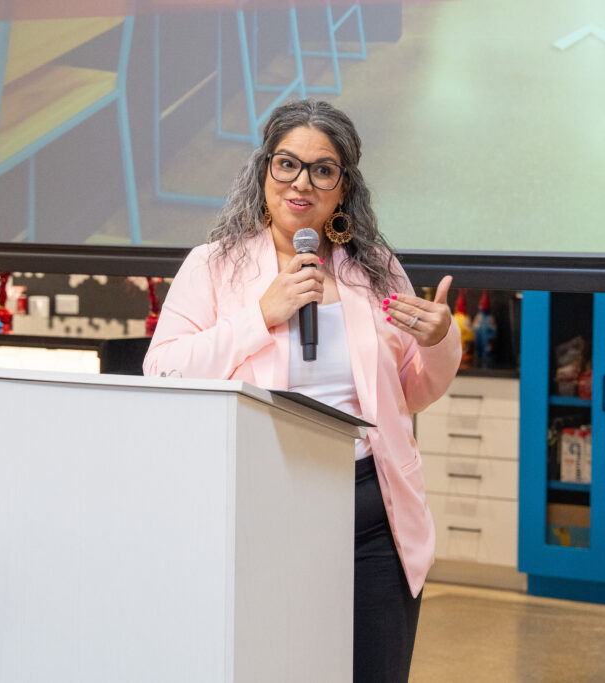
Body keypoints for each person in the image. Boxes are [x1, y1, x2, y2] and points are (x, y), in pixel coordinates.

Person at [143, 99, 460, 682]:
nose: (301, 182)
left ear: (344, 187)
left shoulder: (377, 269)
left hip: (374, 516)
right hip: (263, 506)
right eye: (286, 164)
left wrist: (441, 340)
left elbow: (410, 392)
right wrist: (261, 314)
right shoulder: (215, 267)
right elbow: (162, 371)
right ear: (263, 171)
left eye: (323, 169)